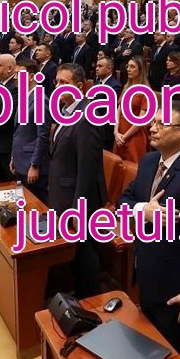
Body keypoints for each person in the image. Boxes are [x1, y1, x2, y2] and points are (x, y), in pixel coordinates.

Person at [117, 98, 180, 359]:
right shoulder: (149, 161)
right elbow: (123, 202)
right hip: (147, 272)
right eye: (153, 122)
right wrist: (143, 210)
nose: (152, 128)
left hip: (176, 289)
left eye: (162, 124)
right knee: (149, 351)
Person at [48, 63, 108, 298]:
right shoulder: (65, 111)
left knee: (85, 255)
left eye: (64, 83)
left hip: (80, 198)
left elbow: (87, 168)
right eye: (56, 82)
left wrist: (78, 208)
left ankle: (91, 302)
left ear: (79, 86)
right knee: (75, 254)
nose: (58, 87)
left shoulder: (87, 117)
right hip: (64, 193)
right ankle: (78, 297)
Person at [10, 59, 50, 203]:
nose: (15, 77)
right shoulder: (25, 96)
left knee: (36, 205)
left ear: (31, 76)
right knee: (24, 203)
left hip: (31, 164)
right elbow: (19, 131)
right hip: (20, 160)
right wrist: (14, 157)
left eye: (18, 74)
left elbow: (42, 136)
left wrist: (35, 165)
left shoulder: (39, 99)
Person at [113, 57, 150, 163]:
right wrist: (116, 132)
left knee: (132, 167)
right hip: (120, 134)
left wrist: (124, 137)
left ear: (140, 70)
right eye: (128, 66)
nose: (128, 69)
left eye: (132, 67)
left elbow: (141, 120)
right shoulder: (126, 87)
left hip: (133, 136)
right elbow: (118, 111)